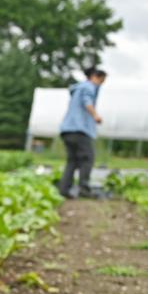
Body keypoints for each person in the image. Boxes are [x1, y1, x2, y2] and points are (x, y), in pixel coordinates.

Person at [58, 67, 107, 199]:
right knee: (87, 159)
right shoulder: (88, 87)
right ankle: (84, 190)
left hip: (67, 130)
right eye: (101, 81)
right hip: (80, 130)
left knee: (72, 161)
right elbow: (87, 101)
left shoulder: (77, 89)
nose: (100, 84)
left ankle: (64, 189)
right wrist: (95, 115)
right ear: (94, 77)